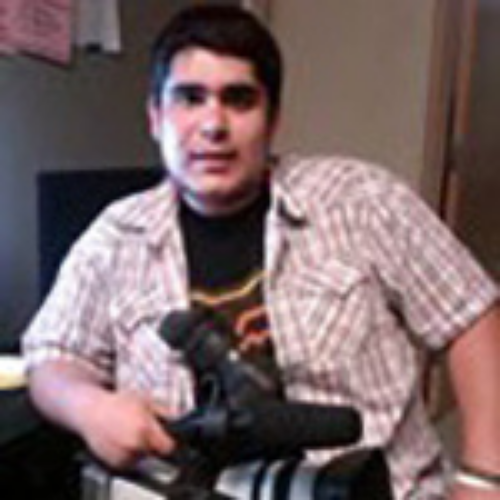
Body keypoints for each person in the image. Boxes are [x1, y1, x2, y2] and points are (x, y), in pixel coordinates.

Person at [22, 4, 500, 499]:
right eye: (190, 98)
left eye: (239, 99)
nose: (213, 124)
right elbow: (52, 358)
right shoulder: (115, 237)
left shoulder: (363, 201)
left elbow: (470, 315)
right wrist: (89, 407)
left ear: (273, 121)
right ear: (156, 118)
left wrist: (484, 478)